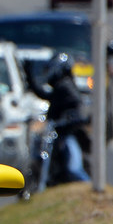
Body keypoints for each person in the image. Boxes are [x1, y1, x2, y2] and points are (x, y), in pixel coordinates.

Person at [29, 52, 90, 183]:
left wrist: (67, 119)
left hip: (68, 134)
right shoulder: (61, 86)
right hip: (60, 132)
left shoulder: (66, 86)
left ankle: (89, 187)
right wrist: (30, 77)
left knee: (74, 168)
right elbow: (45, 94)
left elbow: (76, 106)